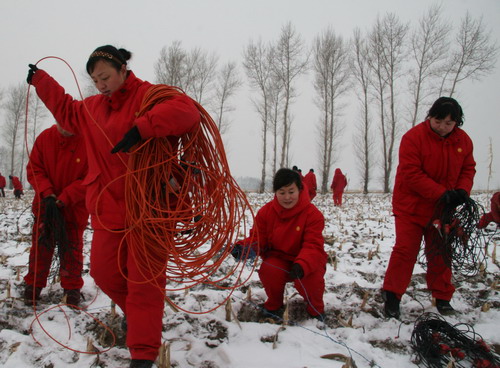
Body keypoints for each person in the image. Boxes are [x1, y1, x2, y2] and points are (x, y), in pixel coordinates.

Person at [28, 45, 201, 368]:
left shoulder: (150, 96)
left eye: (105, 76)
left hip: (150, 210)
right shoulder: (92, 108)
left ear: (123, 70)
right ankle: (141, 324)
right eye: (95, 80)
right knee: (104, 274)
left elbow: (188, 112)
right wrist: (40, 81)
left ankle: (143, 353)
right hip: (108, 210)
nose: (101, 84)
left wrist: (143, 127)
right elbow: (66, 109)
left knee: (143, 286)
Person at [382, 97, 476, 319]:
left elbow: (468, 168)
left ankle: (442, 298)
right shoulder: (413, 138)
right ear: (430, 117)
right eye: (438, 121)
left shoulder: (463, 141)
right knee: (405, 251)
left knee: (441, 252)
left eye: (449, 123)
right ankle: (392, 297)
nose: (442, 127)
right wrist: (442, 193)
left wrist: (462, 191)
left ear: (457, 123)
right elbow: (411, 174)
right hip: (411, 207)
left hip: (442, 209)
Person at [232, 168, 327, 320]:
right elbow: (258, 238)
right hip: (279, 259)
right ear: (275, 192)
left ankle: (316, 309)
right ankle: (274, 305)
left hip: (307, 261)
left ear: (300, 189)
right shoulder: (266, 212)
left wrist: (302, 264)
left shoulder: (313, 214)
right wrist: (244, 248)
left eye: (291, 191)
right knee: (269, 270)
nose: (287, 197)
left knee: (311, 280)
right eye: (282, 192)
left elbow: (313, 245)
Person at [24, 124, 89, 307]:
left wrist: (66, 197)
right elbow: (34, 169)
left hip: (74, 209)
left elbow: (90, 176)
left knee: (72, 248)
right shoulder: (45, 138)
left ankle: (72, 289)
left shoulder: (88, 141)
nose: (66, 126)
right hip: (46, 206)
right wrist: (48, 194)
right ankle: (33, 285)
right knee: (41, 247)